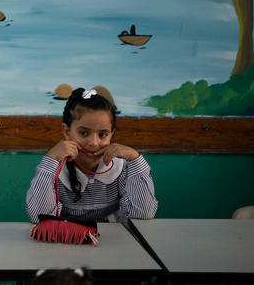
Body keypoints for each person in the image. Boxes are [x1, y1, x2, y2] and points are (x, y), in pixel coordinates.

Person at [26, 87, 157, 222]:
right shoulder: (55, 168)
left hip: (113, 241)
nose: (94, 143)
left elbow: (143, 214)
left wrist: (135, 159)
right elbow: (39, 217)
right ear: (67, 131)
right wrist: (50, 159)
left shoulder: (121, 168)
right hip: (67, 240)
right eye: (83, 133)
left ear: (111, 134)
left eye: (102, 135)